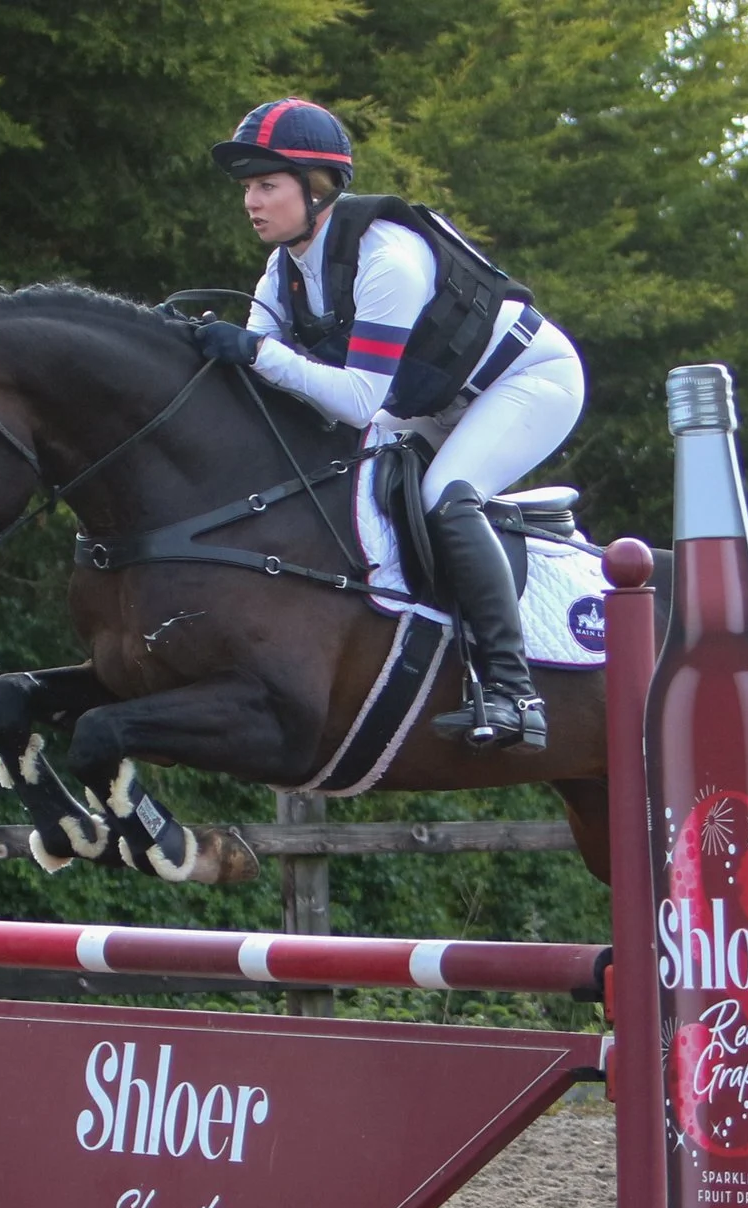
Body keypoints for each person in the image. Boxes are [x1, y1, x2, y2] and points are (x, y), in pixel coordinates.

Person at [196, 98, 585, 752]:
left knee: (444, 496)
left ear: (316, 186)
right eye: (247, 188)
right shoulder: (283, 272)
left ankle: (515, 692)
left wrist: (256, 351)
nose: (250, 203)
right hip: (432, 399)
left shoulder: (388, 259)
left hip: (527, 379)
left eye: (266, 185)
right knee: (349, 479)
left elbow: (353, 399)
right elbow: (263, 376)